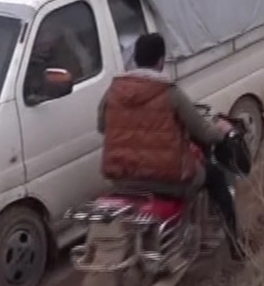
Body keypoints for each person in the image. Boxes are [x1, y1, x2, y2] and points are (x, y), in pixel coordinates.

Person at [96, 33, 245, 260]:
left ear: (135, 59)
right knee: (215, 177)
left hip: (122, 178)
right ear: (160, 61)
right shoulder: (168, 93)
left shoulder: (112, 91)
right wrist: (221, 131)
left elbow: (102, 127)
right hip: (167, 180)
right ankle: (237, 246)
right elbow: (203, 132)